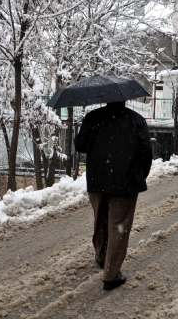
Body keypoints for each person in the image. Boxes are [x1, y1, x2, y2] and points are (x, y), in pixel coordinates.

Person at [74, 101, 153, 291]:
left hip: (97, 181)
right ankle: (111, 274)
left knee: (100, 221)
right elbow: (147, 153)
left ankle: (101, 257)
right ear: (125, 98)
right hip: (125, 183)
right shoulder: (136, 120)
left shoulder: (93, 117)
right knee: (118, 227)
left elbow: (79, 145)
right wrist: (139, 175)